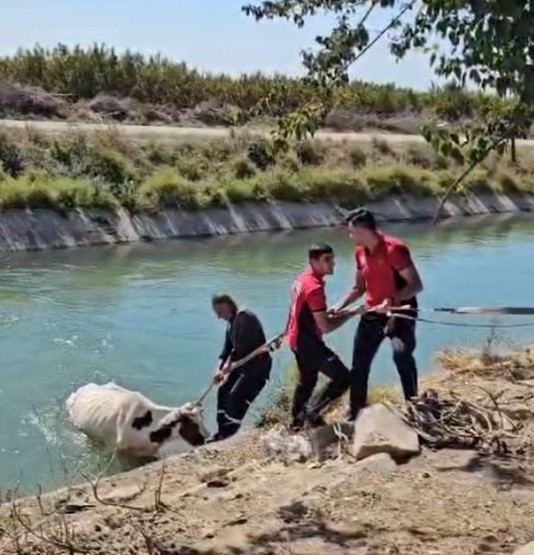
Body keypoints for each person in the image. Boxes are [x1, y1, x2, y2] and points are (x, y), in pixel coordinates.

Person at [331, 207, 424, 421]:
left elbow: (415, 285)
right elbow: (359, 288)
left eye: (352, 232)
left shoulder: (394, 249)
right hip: (373, 312)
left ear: (364, 230)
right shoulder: (360, 252)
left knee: (401, 355)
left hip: (400, 311)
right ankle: (356, 412)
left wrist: (392, 301)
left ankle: (414, 405)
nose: (350, 236)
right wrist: (340, 304)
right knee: (359, 364)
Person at [285, 243, 358, 431]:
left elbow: (307, 313)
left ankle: (296, 424)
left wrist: (329, 313)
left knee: (307, 381)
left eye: (332, 258)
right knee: (344, 378)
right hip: (307, 342)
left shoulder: (301, 279)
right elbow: (325, 327)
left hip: (295, 339)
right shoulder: (315, 287)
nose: (332, 263)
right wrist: (353, 313)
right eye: (327, 260)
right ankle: (312, 412)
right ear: (313, 261)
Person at [209, 294, 272, 442]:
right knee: (223, 392)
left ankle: (229, 436)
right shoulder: (230, 323)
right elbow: (227, 351)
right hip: (240, 366)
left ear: (227, 305)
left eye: (219, 312)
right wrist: (219, 369)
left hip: (256, 368)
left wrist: (228, 368)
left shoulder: (244, 317)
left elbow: (242, 352)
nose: (218, 317)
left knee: (236, 398)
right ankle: (222, 432)